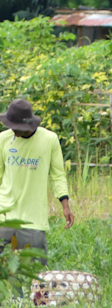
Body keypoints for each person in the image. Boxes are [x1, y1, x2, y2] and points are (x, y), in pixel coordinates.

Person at [0, 99, 74, 265]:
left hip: (33, 221)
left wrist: (65, 205)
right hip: (3, 217)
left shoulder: (49, 140)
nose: (12, 129)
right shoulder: (3, 139)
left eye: (15, 126)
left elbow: (58, 175)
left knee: (36, 277)